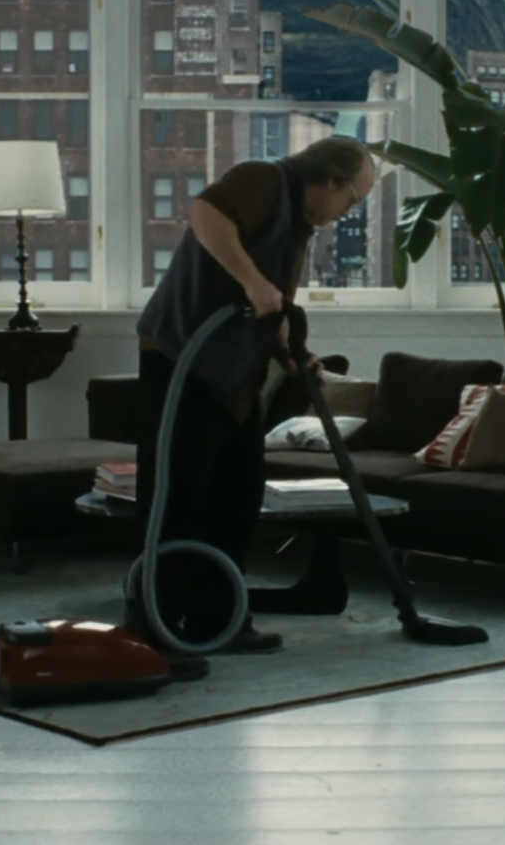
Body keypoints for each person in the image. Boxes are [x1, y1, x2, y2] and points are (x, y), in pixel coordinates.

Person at [131, 136, 376, 654]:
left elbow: (270, 307)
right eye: (352, 199)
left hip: (236, 378)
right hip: (182, 362)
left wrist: (290, 354)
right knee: (177, 502)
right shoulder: (264, 179)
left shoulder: (298, 226)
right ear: (330, 180)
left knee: (236, 499)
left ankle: (219, 621)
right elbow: (204, 214)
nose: (347, 211)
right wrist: (251, 281)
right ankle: (156, 629)